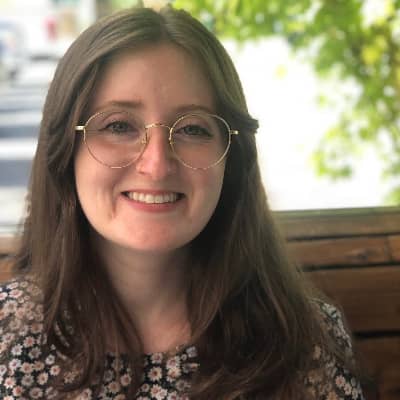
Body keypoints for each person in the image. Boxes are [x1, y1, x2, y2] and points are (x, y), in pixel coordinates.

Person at [0, 5, 365, 400]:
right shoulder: (7, 338)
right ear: (64, 150)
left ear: (231, 158)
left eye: (192, 129)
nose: (157, 165)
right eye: (118, 125)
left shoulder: (304, 343)